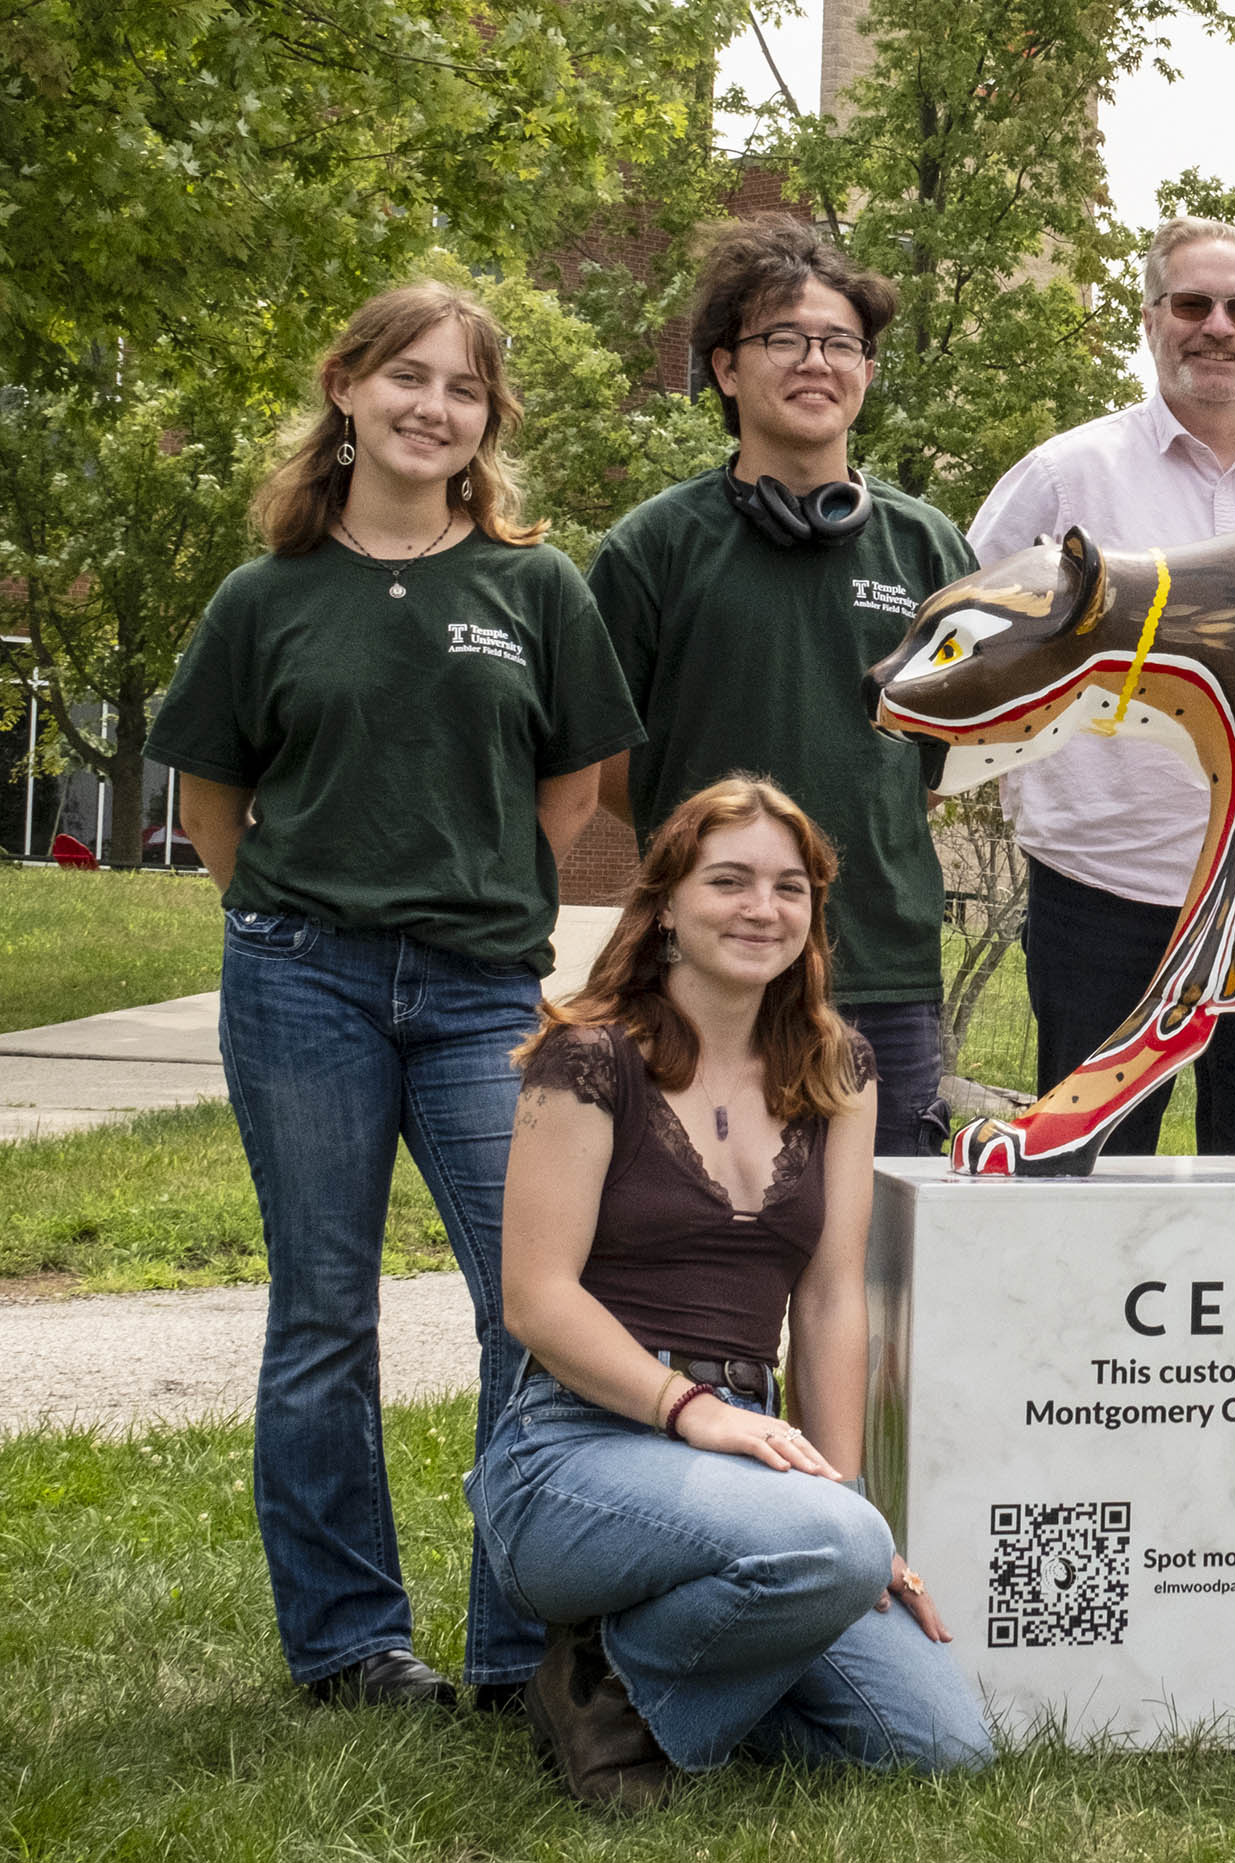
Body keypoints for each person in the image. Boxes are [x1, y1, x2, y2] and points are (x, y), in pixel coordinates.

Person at [149, 281, 645, 1709]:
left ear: (489, 420)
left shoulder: (533, 584)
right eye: (409, 377)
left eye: (466, 388)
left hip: (485, 989)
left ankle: (510, 1646)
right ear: (349, 389)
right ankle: (349, 1642)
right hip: (304, 984)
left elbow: (573, 780)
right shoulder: (267, 597)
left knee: (531, 1303)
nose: (436, 406)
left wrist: (484, 897)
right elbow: (212, 793)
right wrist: (297, 912)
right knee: (322, 1311)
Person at [469, 778, 990, 1809]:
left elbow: (834, 1297)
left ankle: (639, 1663)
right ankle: (615, 1691)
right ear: (665, 902)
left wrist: (842, 1508)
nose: (763, 909)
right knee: (833, 1550)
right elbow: (534, 1298)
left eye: (790, 887)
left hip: (750, 1455)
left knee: (936, 1745)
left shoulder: (836, 1066)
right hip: (574, 1451)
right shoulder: (587, 1056)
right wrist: (691, 1411)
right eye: (730, 881)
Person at [964, 215, 1235, 1156]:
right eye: (1192, 303)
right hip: (1101, 891)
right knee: (1092, 1180)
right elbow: (974, 648)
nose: (1219, 326)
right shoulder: (1060, 481)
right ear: (1150, 317)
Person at [591, 218, 976, 1157]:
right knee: (707, 1256)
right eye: (785, 339)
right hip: (701, 973)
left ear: (868, 372)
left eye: (842, 343)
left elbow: (940, 764)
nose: (818, 361)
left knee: (887, 1275)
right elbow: (606, 770)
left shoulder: (930, 549)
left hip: (883, 969)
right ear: (725, 369)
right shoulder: (653, 548)